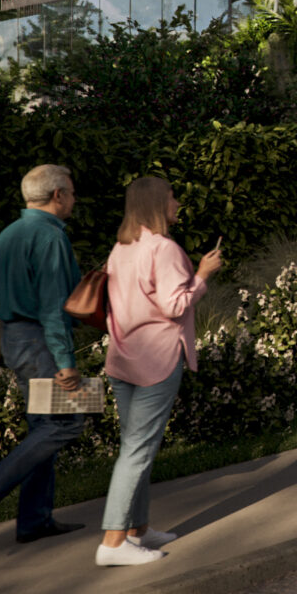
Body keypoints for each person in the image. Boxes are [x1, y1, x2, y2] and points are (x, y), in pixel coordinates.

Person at [0, 165, 90, 552]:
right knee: (66, 424)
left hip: (17, 340)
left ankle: (34, 519)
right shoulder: (49, 238)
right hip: (41, 342)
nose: (74, 200)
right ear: (58, 195)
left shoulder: (8, 235)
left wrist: (0, 346)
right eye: (73, 193)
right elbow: (52, 306)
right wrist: (65, 361)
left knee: (42, 428)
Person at [96, 176, 223, 566]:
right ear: (156, 203)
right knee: (138, 450)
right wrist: (202, 275)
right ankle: (113, 544)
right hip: (157, 360)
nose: (177, 203)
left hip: (123, 358)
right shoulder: (163, 249)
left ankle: (137, 529)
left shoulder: (121, 248)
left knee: (134, 447)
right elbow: (175, 305)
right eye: (172, 197)